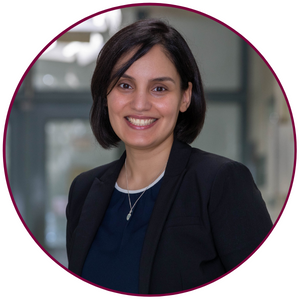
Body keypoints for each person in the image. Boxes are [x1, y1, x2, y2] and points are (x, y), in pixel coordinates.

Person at [66, 18, 273, 295]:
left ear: (185, 97)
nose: (140, 104)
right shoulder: (84, 190)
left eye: (159, 88)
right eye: (125, 85)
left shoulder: (220, 183)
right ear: (106, 95)